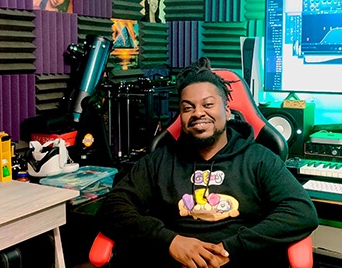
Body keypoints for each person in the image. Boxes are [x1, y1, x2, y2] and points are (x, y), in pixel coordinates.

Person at [95, 57, 318, 268]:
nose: (198, 113)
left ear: (227, 111)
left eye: (208, 104)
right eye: (188, 107)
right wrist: (171, 241)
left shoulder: (259, 159)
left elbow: (301, 212)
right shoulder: (159, 161)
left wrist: (229, 250)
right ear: (180, 115)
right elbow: (112, 208)